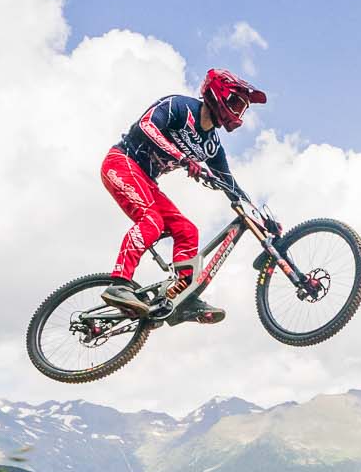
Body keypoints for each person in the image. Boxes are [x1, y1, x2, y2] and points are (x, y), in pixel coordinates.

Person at [100, 69, 270, 324]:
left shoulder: (211, 145)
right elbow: (146, 126)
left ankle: (183, 296)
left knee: (187, 230)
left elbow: (229, 182)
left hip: (147, 181)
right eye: (236, 103)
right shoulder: (179, 107)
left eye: (242, 109)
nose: (238, 113)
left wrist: (259, 216)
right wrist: (182, 158)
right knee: (152, 220)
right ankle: (119, 283)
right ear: (219, 93)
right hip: (122, 163)